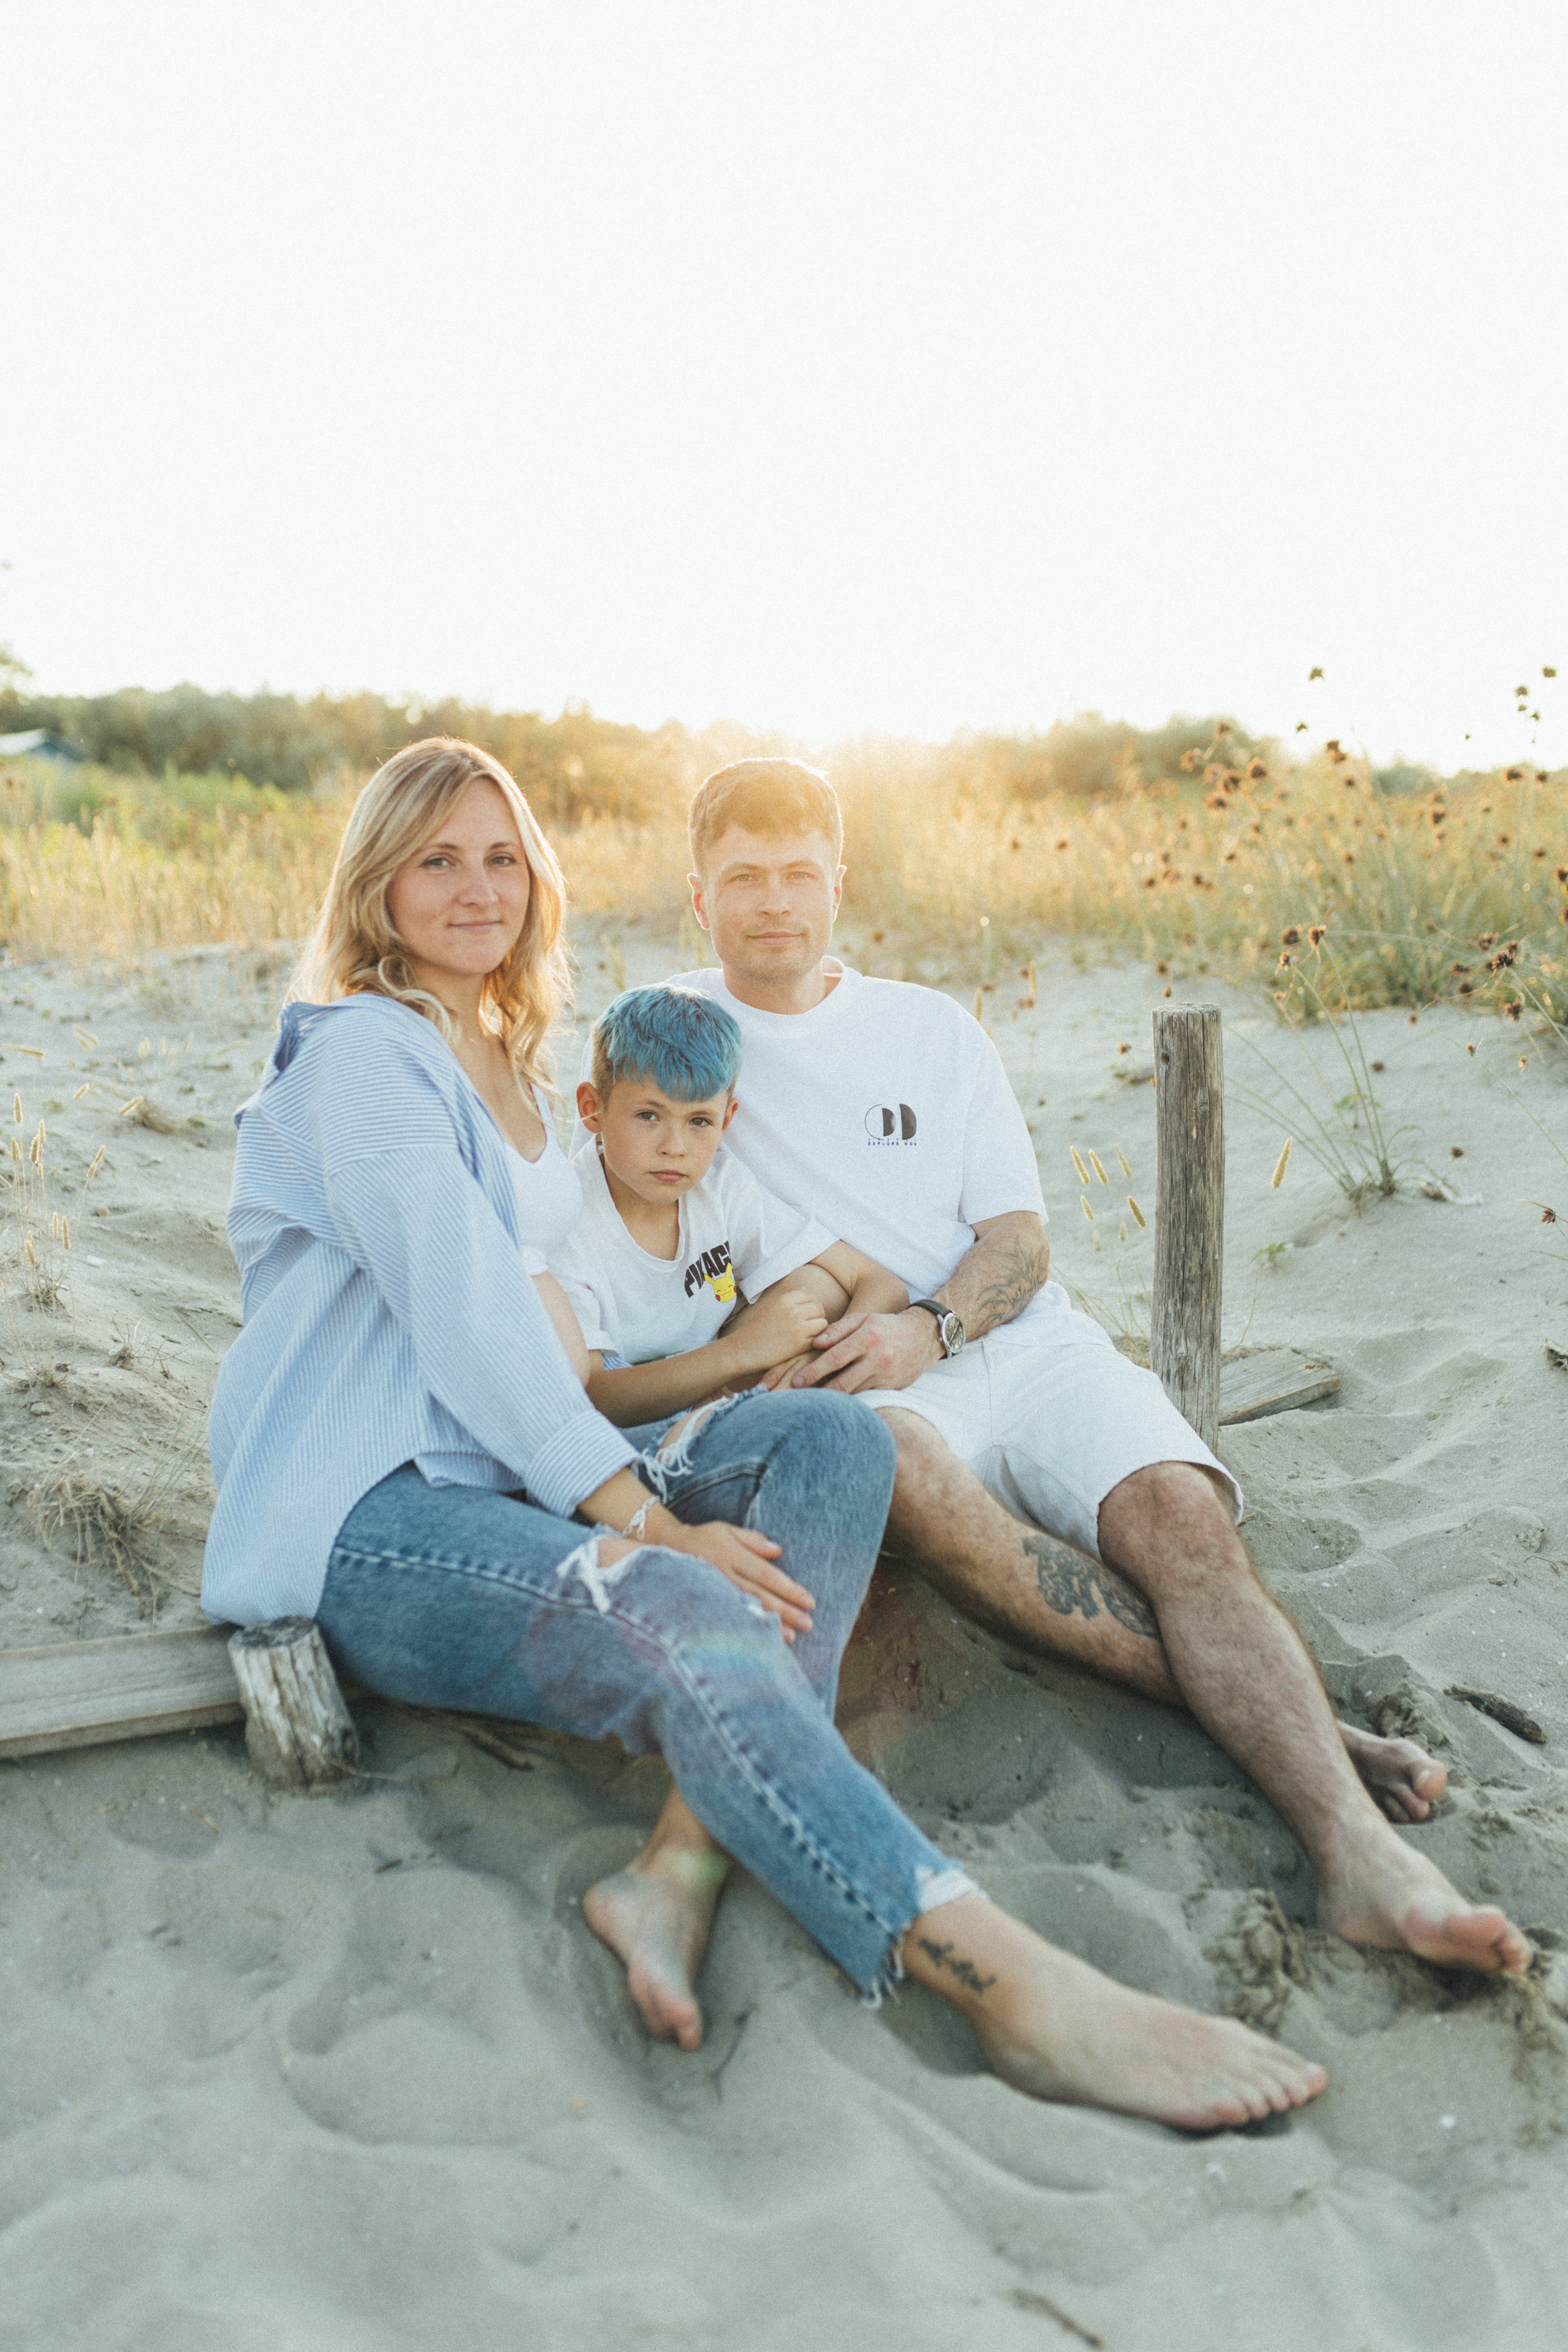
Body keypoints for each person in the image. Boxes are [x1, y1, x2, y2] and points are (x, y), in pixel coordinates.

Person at [204, 734, 1331, 2132]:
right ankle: (1005, 1978)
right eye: (435, 857)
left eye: (502, 854)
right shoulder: (366, 1057)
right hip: (372, 1514)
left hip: (513, 1485)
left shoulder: (503, 1057)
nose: (474, 884)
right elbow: (469, 1325)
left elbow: (605, 1280)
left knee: (835, 1445)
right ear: (376, 883)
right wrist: (642, 1511)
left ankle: (672, 1867)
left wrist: (774, 1344)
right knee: (680, 1590)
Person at [663, 755, 1530, 1986]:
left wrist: (938, 1325)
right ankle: (1315, 1741)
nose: (771, 904)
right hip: (869, 1393)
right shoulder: (672, 1037)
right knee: (894, 1457)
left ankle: (1360, 1859)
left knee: (1179, 1519)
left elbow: (1017, 1243)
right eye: (740, 879)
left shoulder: (929, 1029)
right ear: (696, 897)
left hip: (1005, 1340)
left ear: (837, 885)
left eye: (796, 876)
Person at [552, 980, 909, 1427]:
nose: (675, 1147)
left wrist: (822, 1365)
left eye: (699, 1120)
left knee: (815, 1288)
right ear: (592, 1108)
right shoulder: (564, 1219)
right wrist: (741, 1352)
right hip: (620, 1430)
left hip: (715, 1386)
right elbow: (592, 1396)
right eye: (648, 1115)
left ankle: (721, 1415)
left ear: (727, 1120)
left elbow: (879, 1283)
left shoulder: (719, 1185)